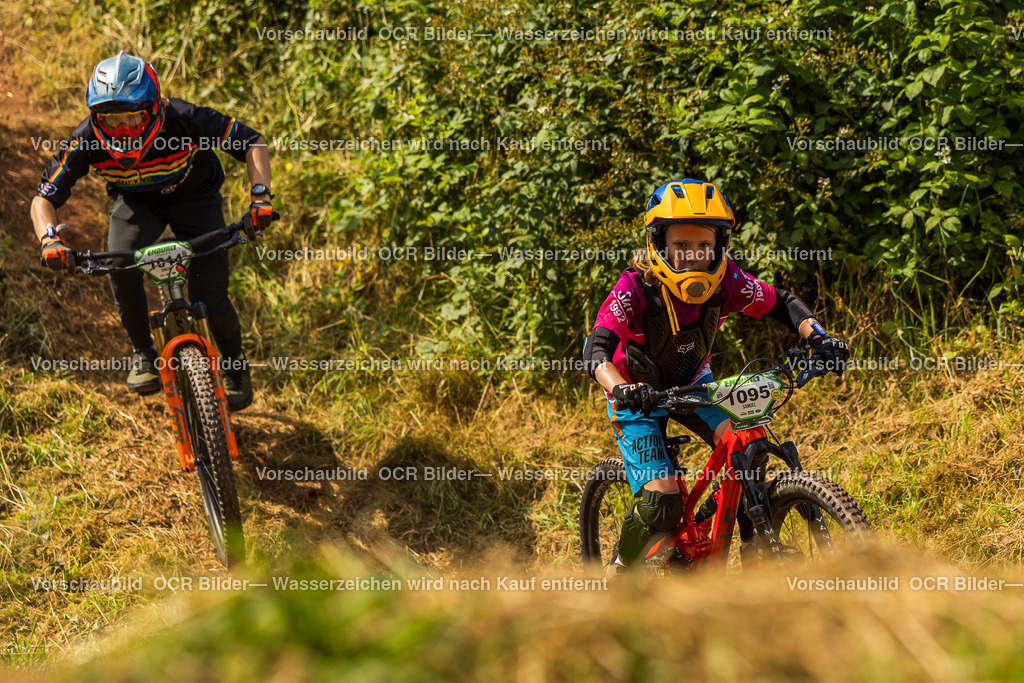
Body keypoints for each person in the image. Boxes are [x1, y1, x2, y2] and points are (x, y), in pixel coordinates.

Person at [582, 178, 850, 571]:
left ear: (719, 246)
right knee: (662, 501)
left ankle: (754, 550)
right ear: (658, 245)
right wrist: (621, 388)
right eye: (681, 245)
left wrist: (821, 338)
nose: (694, 256)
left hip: (695, 384)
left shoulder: (727, 280)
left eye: (704, 246)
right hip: (636, 396)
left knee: (749, 449)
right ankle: (618, 569)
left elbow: (781, 303)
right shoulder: (634, 288)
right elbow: (596, 349)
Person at [31, 51, 275, 410]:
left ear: (155, 107)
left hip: (196, 199)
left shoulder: (185, 118)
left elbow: (252, 143)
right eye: (111, 121)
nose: (122, 131)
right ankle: (143, 353)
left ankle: (235, 367)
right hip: (137, 205)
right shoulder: (86, 139)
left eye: (132, 118)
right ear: (95, 117)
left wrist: (260, 199)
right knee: (120, 265)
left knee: (211, 295)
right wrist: (49, 239)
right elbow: (43, 199)